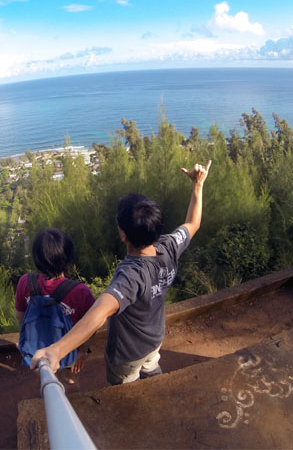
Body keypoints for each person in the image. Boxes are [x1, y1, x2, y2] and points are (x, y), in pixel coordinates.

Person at [31, 160, 211, 384]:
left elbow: (98, 313)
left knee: (127, 391)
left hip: (127, 353)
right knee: (151, 364)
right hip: (154, 338)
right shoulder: (170, 245)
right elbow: (193, 223)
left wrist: (57, 350)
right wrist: (197, 185)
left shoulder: (131, 275)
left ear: (123, 235)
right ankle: (157, 382)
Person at [15, 228, 96, 372]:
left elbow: (21, 317)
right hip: (67, 355)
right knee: (70, 380)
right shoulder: (81, 291)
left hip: (36, 354)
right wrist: (83, 351)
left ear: (37, 258)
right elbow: (90, 327)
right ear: (68, 257)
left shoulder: (25, 282)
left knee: (41, 382)